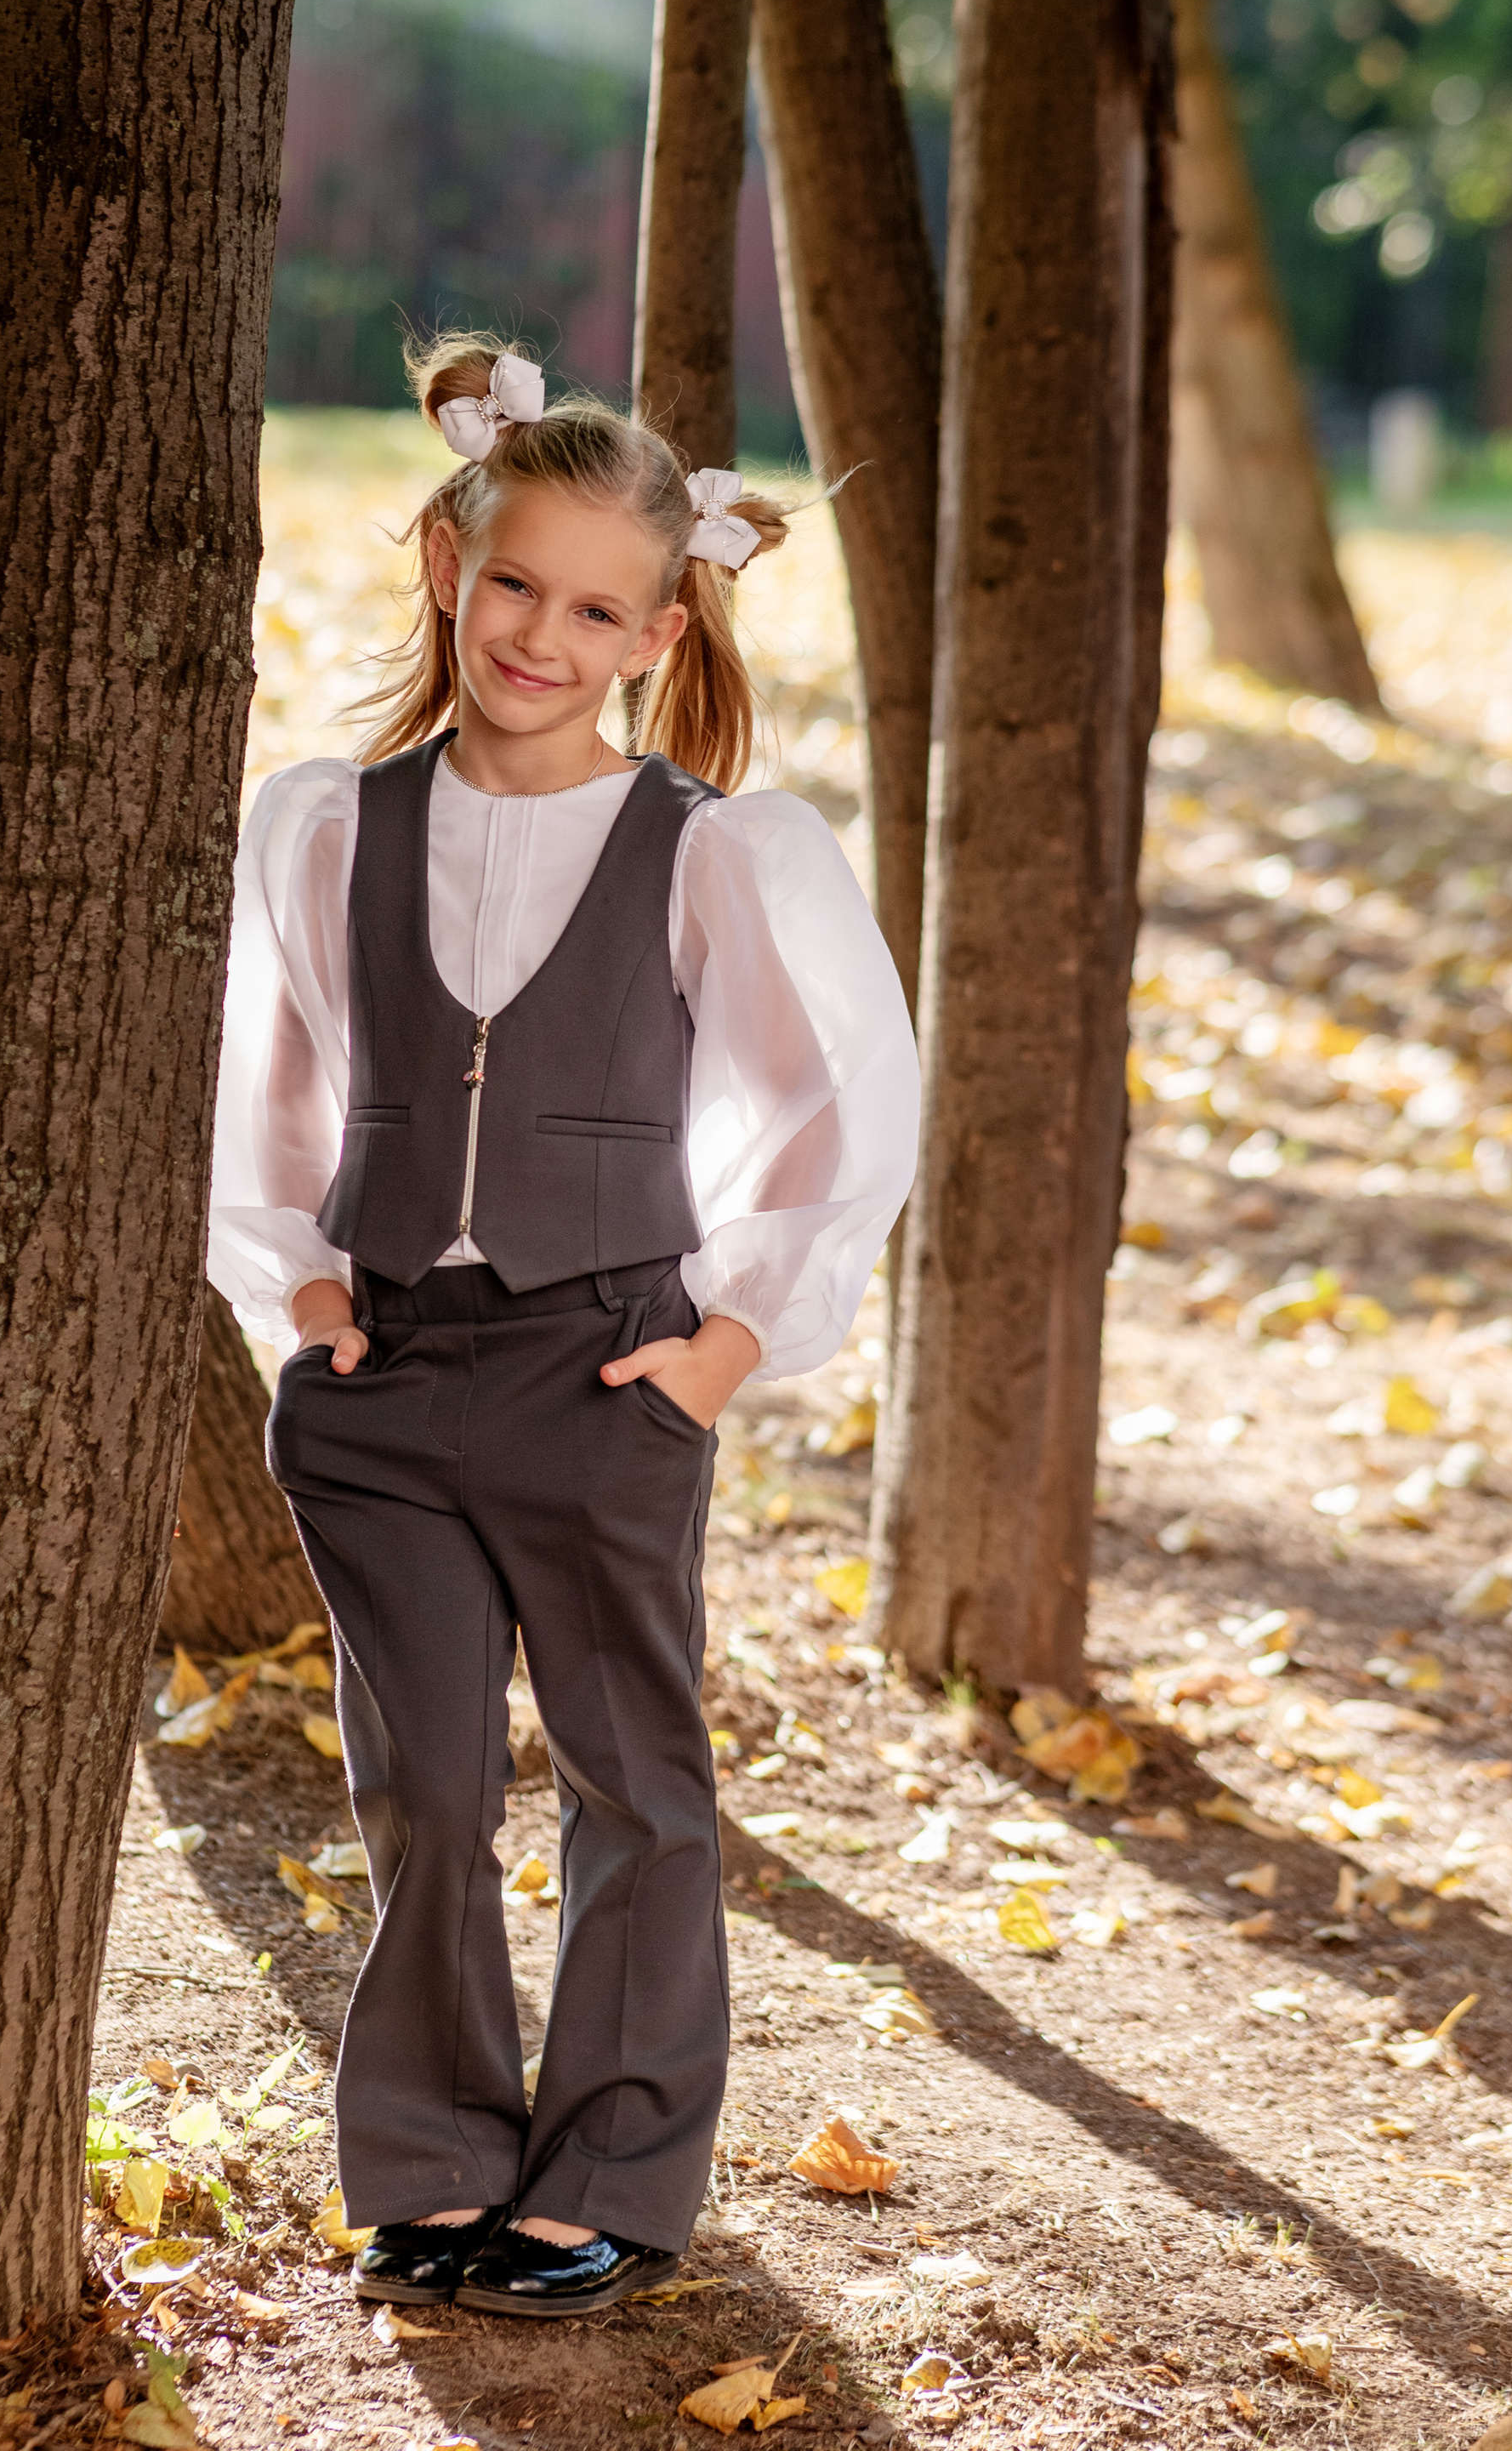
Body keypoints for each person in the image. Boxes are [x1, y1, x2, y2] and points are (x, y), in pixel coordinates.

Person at [208, 333, 918, 2320]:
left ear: (655, 625)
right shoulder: (324, 828)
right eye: (513, 582)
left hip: (605, 1368)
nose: (541, 631)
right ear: (450, 563)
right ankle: (432, 2155)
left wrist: (722, 1344)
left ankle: (605, 2165)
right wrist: (300, 1283)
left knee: (632, 1779)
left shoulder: (718, 850)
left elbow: (845, 1104)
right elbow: (252, 1082)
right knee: (423, 1781)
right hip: (377, 1385)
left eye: (595, 607)